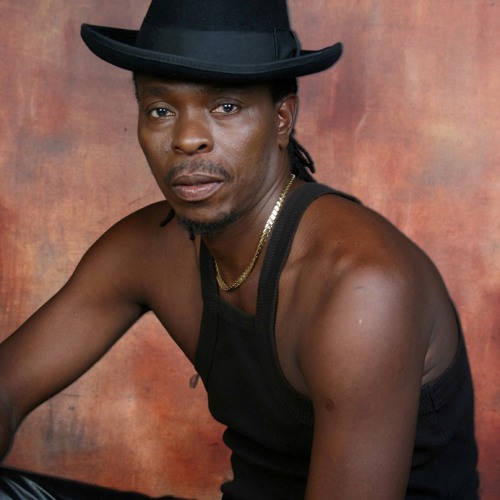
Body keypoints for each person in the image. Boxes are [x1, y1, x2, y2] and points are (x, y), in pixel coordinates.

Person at [0, 0, 479, 498]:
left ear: (281, 119)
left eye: (225, 107)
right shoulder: (148, 249)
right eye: (161, 110)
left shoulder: (361, 289)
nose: (188, 140)